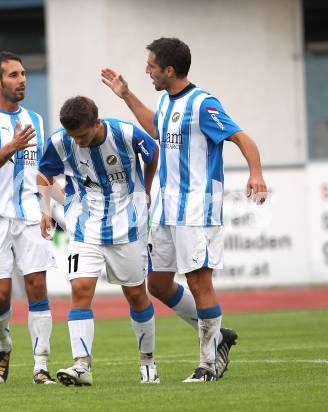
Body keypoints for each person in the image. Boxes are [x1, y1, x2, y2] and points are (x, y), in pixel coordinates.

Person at [101, 37, 268, 382]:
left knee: (197, 280)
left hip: (196, 208)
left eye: (151, 66)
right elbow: (156, 128)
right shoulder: (166, 102)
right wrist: (127, 95)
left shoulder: (202, 104)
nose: (147, 71)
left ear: (169, 70)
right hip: (165, 209)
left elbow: (241, 137)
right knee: (158, 284)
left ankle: (208, 364)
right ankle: (219, 336)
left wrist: (256, 174)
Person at [37, 96, 160, 386]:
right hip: (84, 227)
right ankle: (82, 365)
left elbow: (153, 154)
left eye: (82, 135)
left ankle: (148, 360)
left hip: (128, 226)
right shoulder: (59, 142)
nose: (77, 142)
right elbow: (43, 174)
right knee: (80, 289)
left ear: (97, 123)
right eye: (72, 136)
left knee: (136, 295)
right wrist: (46, 210)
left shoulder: (126, 134)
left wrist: (146, 189)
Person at [0, 51, 58, 385]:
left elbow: (41, 172)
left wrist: (48, 210)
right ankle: (4, 344)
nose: (22, 80)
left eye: (23, 73)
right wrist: (13, 147)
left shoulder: (35, 119)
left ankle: (41, 365)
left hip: (30, 215)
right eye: (14, 75)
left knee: (37, 287)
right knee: (0, 296)